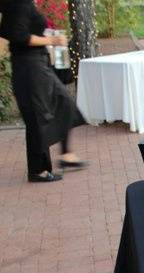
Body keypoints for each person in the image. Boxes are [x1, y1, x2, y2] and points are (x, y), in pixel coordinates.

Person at [0, 0, 87, 183]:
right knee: (38, 117)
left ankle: (66, 154)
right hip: (29, 67)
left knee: (64, 103)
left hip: (37, 64)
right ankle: (38, 170)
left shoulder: (22, 4)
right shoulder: (19, 4)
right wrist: (53, 40)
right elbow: (20, 36)